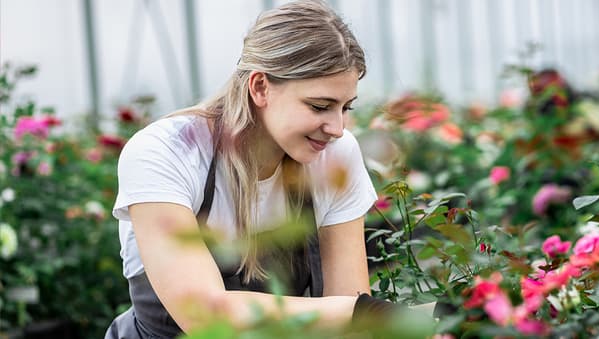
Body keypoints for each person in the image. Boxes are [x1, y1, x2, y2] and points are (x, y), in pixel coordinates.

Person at [105, 1, 394, 337]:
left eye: (345, 107)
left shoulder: (335, 155)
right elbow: (206, 317)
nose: (337, 127)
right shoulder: (168, 152)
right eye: (319, 106)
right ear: (260, 87)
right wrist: (361, 310)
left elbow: (349, 317)